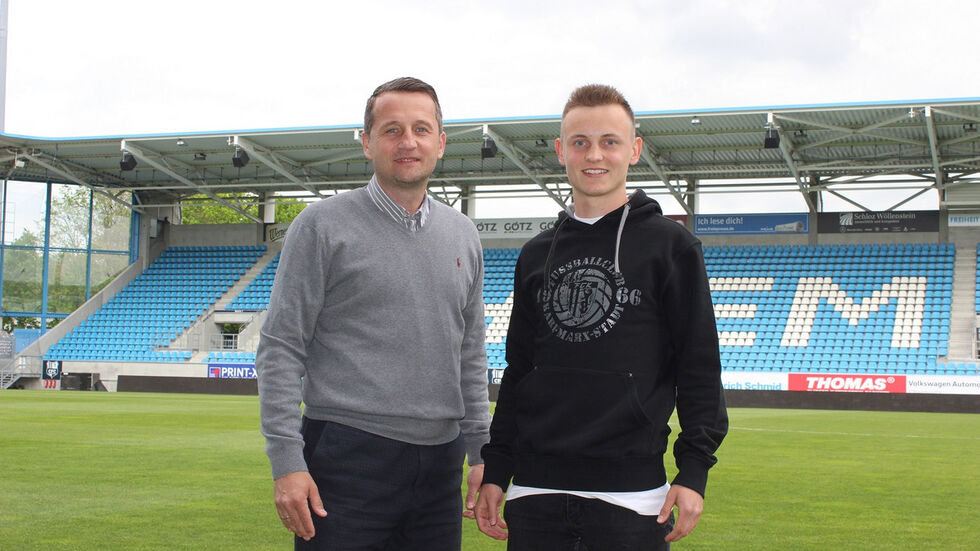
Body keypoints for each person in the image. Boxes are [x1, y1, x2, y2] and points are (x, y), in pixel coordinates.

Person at [474, 84, 728, 550]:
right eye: (580, 142)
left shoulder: (671, 247)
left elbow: (699, 367)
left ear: (634, 150)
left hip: (633, 498)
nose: (594, 155)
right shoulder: (535, 254)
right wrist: (497, 468)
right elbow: (519, 371)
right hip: (534, 492)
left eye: (610, 141)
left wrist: (693, 471)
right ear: (561, 151)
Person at [256, 76, 491, 550]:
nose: (408, 142)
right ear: (367, 142)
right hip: (346, 455)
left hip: (440, 465)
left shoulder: (463, 234)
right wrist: (287, 462)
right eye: (392, 130)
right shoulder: (321, 226)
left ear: (441, 143)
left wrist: (481, 450)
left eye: (421, 129)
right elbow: (281, 346)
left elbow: (469, 351)